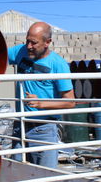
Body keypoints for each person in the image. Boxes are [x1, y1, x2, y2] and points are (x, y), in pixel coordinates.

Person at [8, 22, 75, 168]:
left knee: (45, 176)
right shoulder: (20, 51)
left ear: (47, 42)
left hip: (43, 129)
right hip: (20, 125)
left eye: (34, 43)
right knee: (17, 172)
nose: (29, 46)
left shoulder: (58, 64)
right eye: (27, 41)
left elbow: (70, 102)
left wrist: (41, 103)